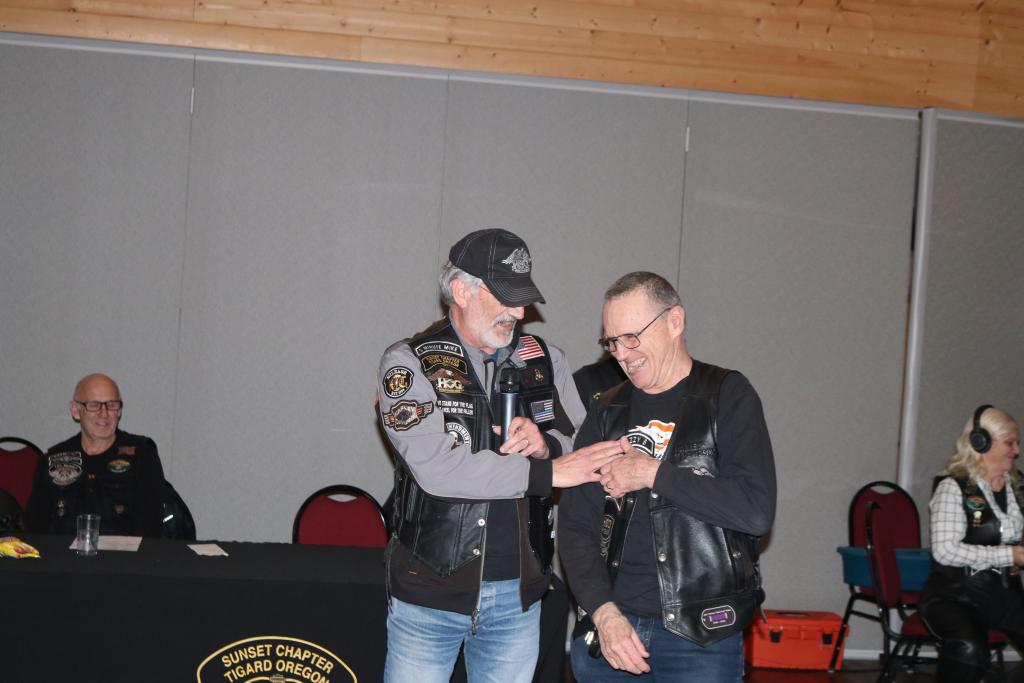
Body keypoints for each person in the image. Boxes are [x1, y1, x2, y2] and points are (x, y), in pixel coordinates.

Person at [378, 228, 624, 683]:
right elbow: (440, 470)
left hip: (517, 597)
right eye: (507, 297)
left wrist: (546, 445)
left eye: (524, 298)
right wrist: (545, 472)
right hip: (428, 594)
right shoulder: (408, 363)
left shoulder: (547, 360)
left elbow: (587, 449)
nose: (519, 312)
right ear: (461, 291)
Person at [558, 271, 776, 682]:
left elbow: (755, 511)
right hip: (613, 633)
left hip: (701, 637)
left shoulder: (726, 396)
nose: (623, 354)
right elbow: (574, 526)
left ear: (675, 321)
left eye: (632, 337)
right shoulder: (605, 411)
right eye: (612, 342)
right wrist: (604, 614)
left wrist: (652, 473)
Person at [918, 405, 1024, 683]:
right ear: (982, 442)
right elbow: (945, 551)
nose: (1016, 451)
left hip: (1005, 596)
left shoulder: (1017, 487)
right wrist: (1009, 555)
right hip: (955, 596)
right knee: (969, 650)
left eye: (1017, 443)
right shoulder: (953, 487)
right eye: (1010, 443)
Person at [24, 373, 166, 537]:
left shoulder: (141, 454)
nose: (104, 414)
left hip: (123, 552)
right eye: (94, 405)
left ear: (119, 411)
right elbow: (35, 527)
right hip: (62, 552)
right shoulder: (54, 459)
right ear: (76, 410)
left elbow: (150, 526)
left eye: (111, 405)